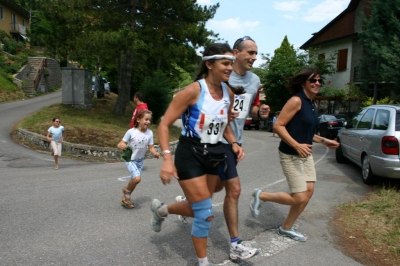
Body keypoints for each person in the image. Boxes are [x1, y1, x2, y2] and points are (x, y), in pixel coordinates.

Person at [151, 43, 244, 266]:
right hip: (190, 153)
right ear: (209, 64)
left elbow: (223, 124)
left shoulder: (227, 91)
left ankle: (162, 210)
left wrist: (233, 142)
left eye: (231, 63)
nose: (230, 68)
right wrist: (166, 159)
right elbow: (163, 125)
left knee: (200, 206)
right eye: (225, 63)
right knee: (205, 214)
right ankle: (203, 263)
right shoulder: (193, 90)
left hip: (214, 152)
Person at [250, 68, 340, 242]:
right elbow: (278, 126)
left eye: (319, 81)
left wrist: (323, 140)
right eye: (313, 80)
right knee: (299, 196)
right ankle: (261, 195)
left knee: (309, 192)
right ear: (303, 83)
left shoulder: (312, 104)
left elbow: (306, 132)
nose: (317, 84)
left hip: (305, 154)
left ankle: (286, 228)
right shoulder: (296, 101)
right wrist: (296, 145)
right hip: (290, 153)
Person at [118, 109, 160, 209]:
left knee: (135, 180)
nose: (148, 122)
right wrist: (122, 145)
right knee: (137, 178)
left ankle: (126, 192)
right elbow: (120, 143)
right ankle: (126, 197)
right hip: (130, 159)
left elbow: (151, 147)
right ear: (138, 119)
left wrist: (155, 153)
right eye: (146, 119)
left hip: (140, 160)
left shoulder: (150, 133)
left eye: (150, 120)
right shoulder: (131, 132)